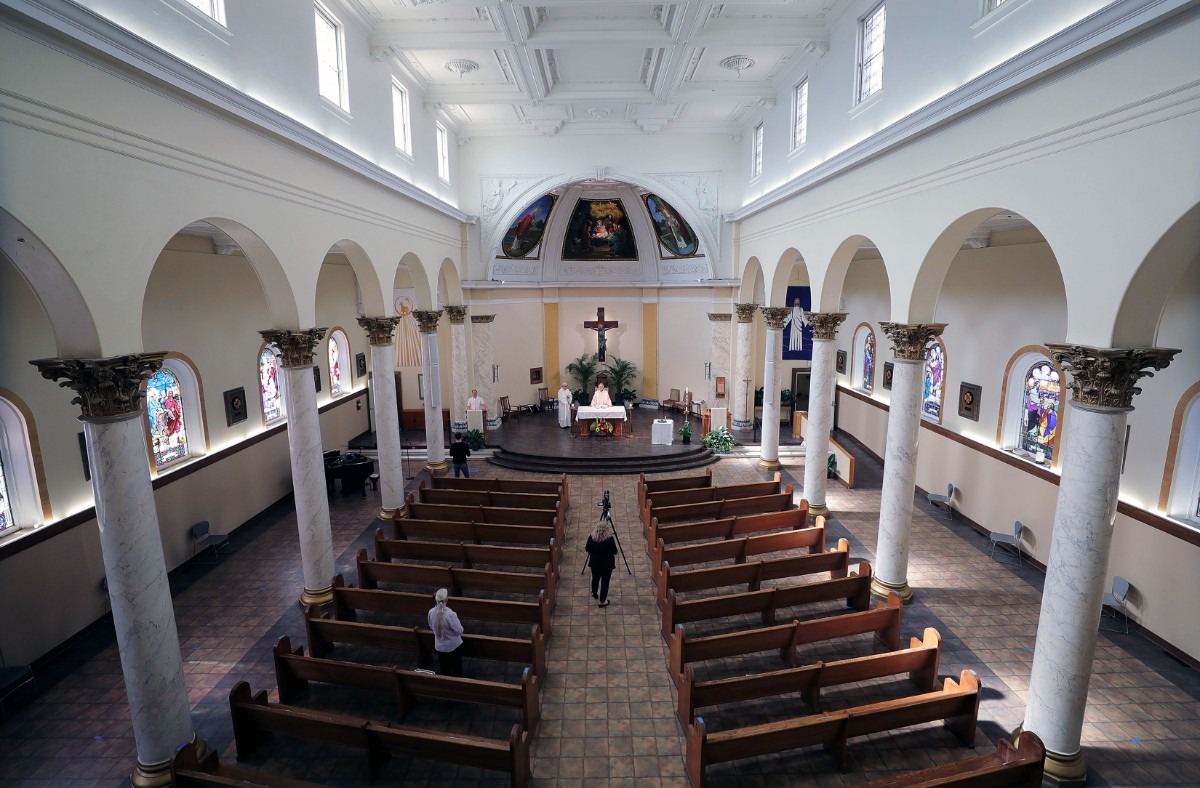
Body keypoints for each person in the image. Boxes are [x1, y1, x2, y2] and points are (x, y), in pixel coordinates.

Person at [427, 588, 464, 676]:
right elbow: (459, 631)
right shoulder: (451, 615)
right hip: (453, 646)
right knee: (457, 669)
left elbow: (431, 626)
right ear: (447, 599)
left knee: (444, 669)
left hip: (440, 646)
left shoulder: (431, 612)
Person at [585, 519, 618, 608]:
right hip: (607, 565)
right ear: (606, 530)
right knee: (605, 582)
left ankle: (594, 593)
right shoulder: (610, 540)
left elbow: (587, 549)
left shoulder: (591, 538)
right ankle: (602, 601)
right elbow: (615, 551)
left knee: (595, 579)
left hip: (595, 563)